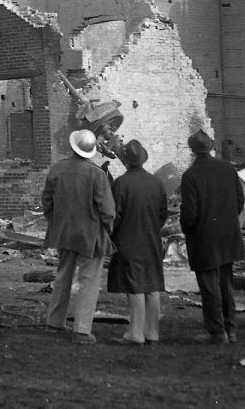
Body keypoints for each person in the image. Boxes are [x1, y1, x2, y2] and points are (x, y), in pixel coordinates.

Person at [42, 129, 116, 342]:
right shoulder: (97, 174)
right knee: (88, 281)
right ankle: (82, 330)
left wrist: (56, 222)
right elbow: (107, 210)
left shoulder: (57, 169)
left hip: (64, 232)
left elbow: (47, 202)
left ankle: (55, 322)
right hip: (90, 235)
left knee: (63, 276)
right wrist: (108, 229)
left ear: (73, 147)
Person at [179, 128, 245, 344]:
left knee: (209, 286)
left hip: (204, 238)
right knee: (226, 284)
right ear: (211, 147)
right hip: (227, 235)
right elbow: (240, 200)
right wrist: (227, 220)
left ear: (192, 150)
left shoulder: (191, 176)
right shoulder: (228, 168)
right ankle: (231, 329)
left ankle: (217, 332)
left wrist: (188, 229)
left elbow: (189, 213)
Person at [106, 138, 168, 344]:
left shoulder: (121, 183)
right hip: (152, 241)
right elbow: (163, 214)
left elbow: (114, 216)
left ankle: (135, 334)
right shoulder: (156, 183)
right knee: (152, 285)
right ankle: (152, 332)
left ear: (126, 160)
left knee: (135, 287)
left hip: (128, 241)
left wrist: (112, 237)